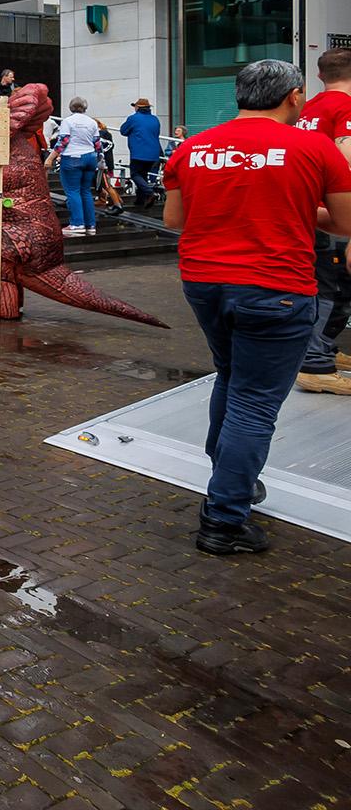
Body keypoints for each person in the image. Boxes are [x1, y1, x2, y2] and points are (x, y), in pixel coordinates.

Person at [164, 59, 351, 555]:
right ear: (293, 96)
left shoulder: (192, 146)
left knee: (230, 377)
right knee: (255, 402)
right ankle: (224, 520)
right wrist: (295, 206)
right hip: (277, 289)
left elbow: (176, 219)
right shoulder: (315, 147)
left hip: (204, 282)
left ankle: (230, 475)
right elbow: (346, 222)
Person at [293, 49, 351, 395]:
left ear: (319, 77)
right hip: (334, 213)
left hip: (309, 211)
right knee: (335, 288)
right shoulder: (344, 107)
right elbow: (348, 160)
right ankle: (315, 362)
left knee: (324, 284)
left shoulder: (308, 108)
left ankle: (324, 348)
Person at [47, 96, 103, 237]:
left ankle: (77, 224)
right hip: (90, 157)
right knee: (86, 191)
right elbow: (97, 143)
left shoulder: (68, 121)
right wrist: (101, 160)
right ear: (85, 107)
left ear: (71, 108)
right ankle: (90, 225)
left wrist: (50, 158)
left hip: (72, 158)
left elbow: (63, 141)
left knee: (73, 191)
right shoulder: (92, 122)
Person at [120, 97, 163, 208]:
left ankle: (150, 193)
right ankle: (140, 200)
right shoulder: (155, 119)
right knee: (142, 175)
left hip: (139, 152)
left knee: (135, 174)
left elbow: (123, 131)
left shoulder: (133, 118)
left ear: (138, 107)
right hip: (154, 153)